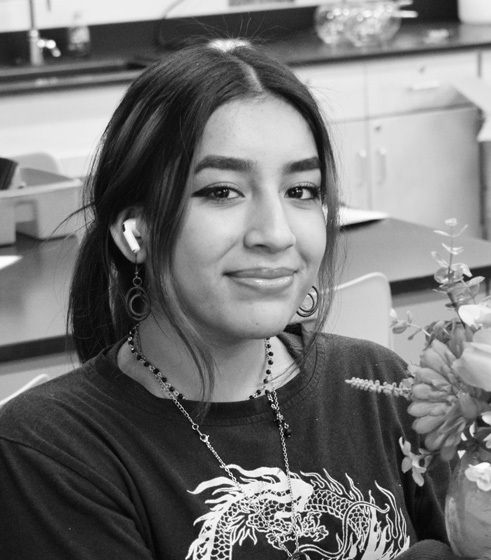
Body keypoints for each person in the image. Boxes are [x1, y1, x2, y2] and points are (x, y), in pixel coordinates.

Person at [0, 42, 455, 559]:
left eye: (301, 190)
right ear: (135, 230)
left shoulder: (375, 383)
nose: (276, 233)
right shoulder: (53, 452)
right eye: (221, 191)